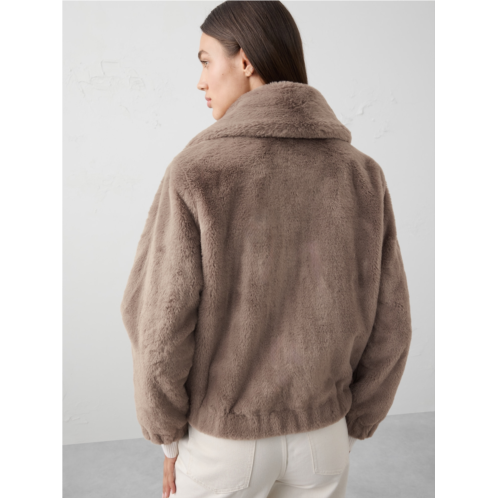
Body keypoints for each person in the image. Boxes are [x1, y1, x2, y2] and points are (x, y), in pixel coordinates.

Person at [120, 1, 412, 497]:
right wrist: (352, 425)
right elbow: (392, 323)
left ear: (245, 60)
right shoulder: (361, 173)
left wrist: (167, 439)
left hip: (225, 443)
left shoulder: (197, 172)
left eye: (206, 61)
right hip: (323, 437)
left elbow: (158, 324)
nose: (200, 81)